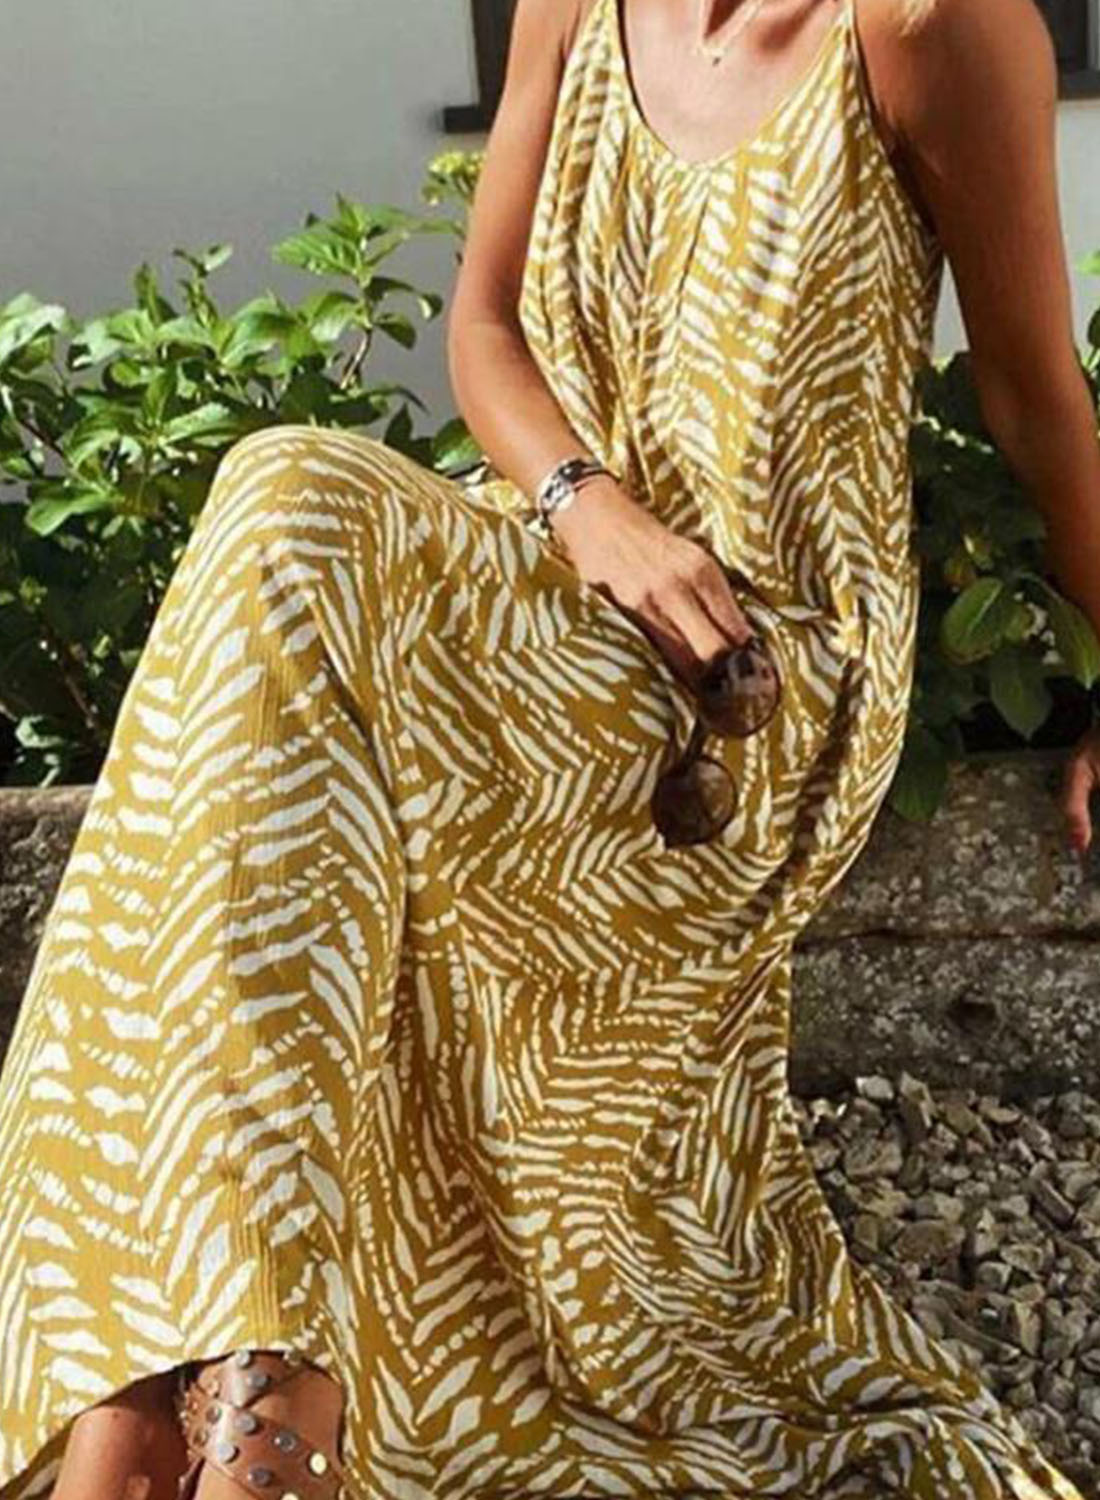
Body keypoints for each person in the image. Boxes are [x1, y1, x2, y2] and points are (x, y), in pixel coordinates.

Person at [0, 0, 1096, 1494]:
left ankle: (146, 1413)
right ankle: (233, 1390)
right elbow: (485, 327)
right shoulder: (571, 7)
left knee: (288, 518)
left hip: (759, 680)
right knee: (283, 517)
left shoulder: (935, 28)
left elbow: (1033, 392)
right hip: (553, 588)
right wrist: (590, 510)